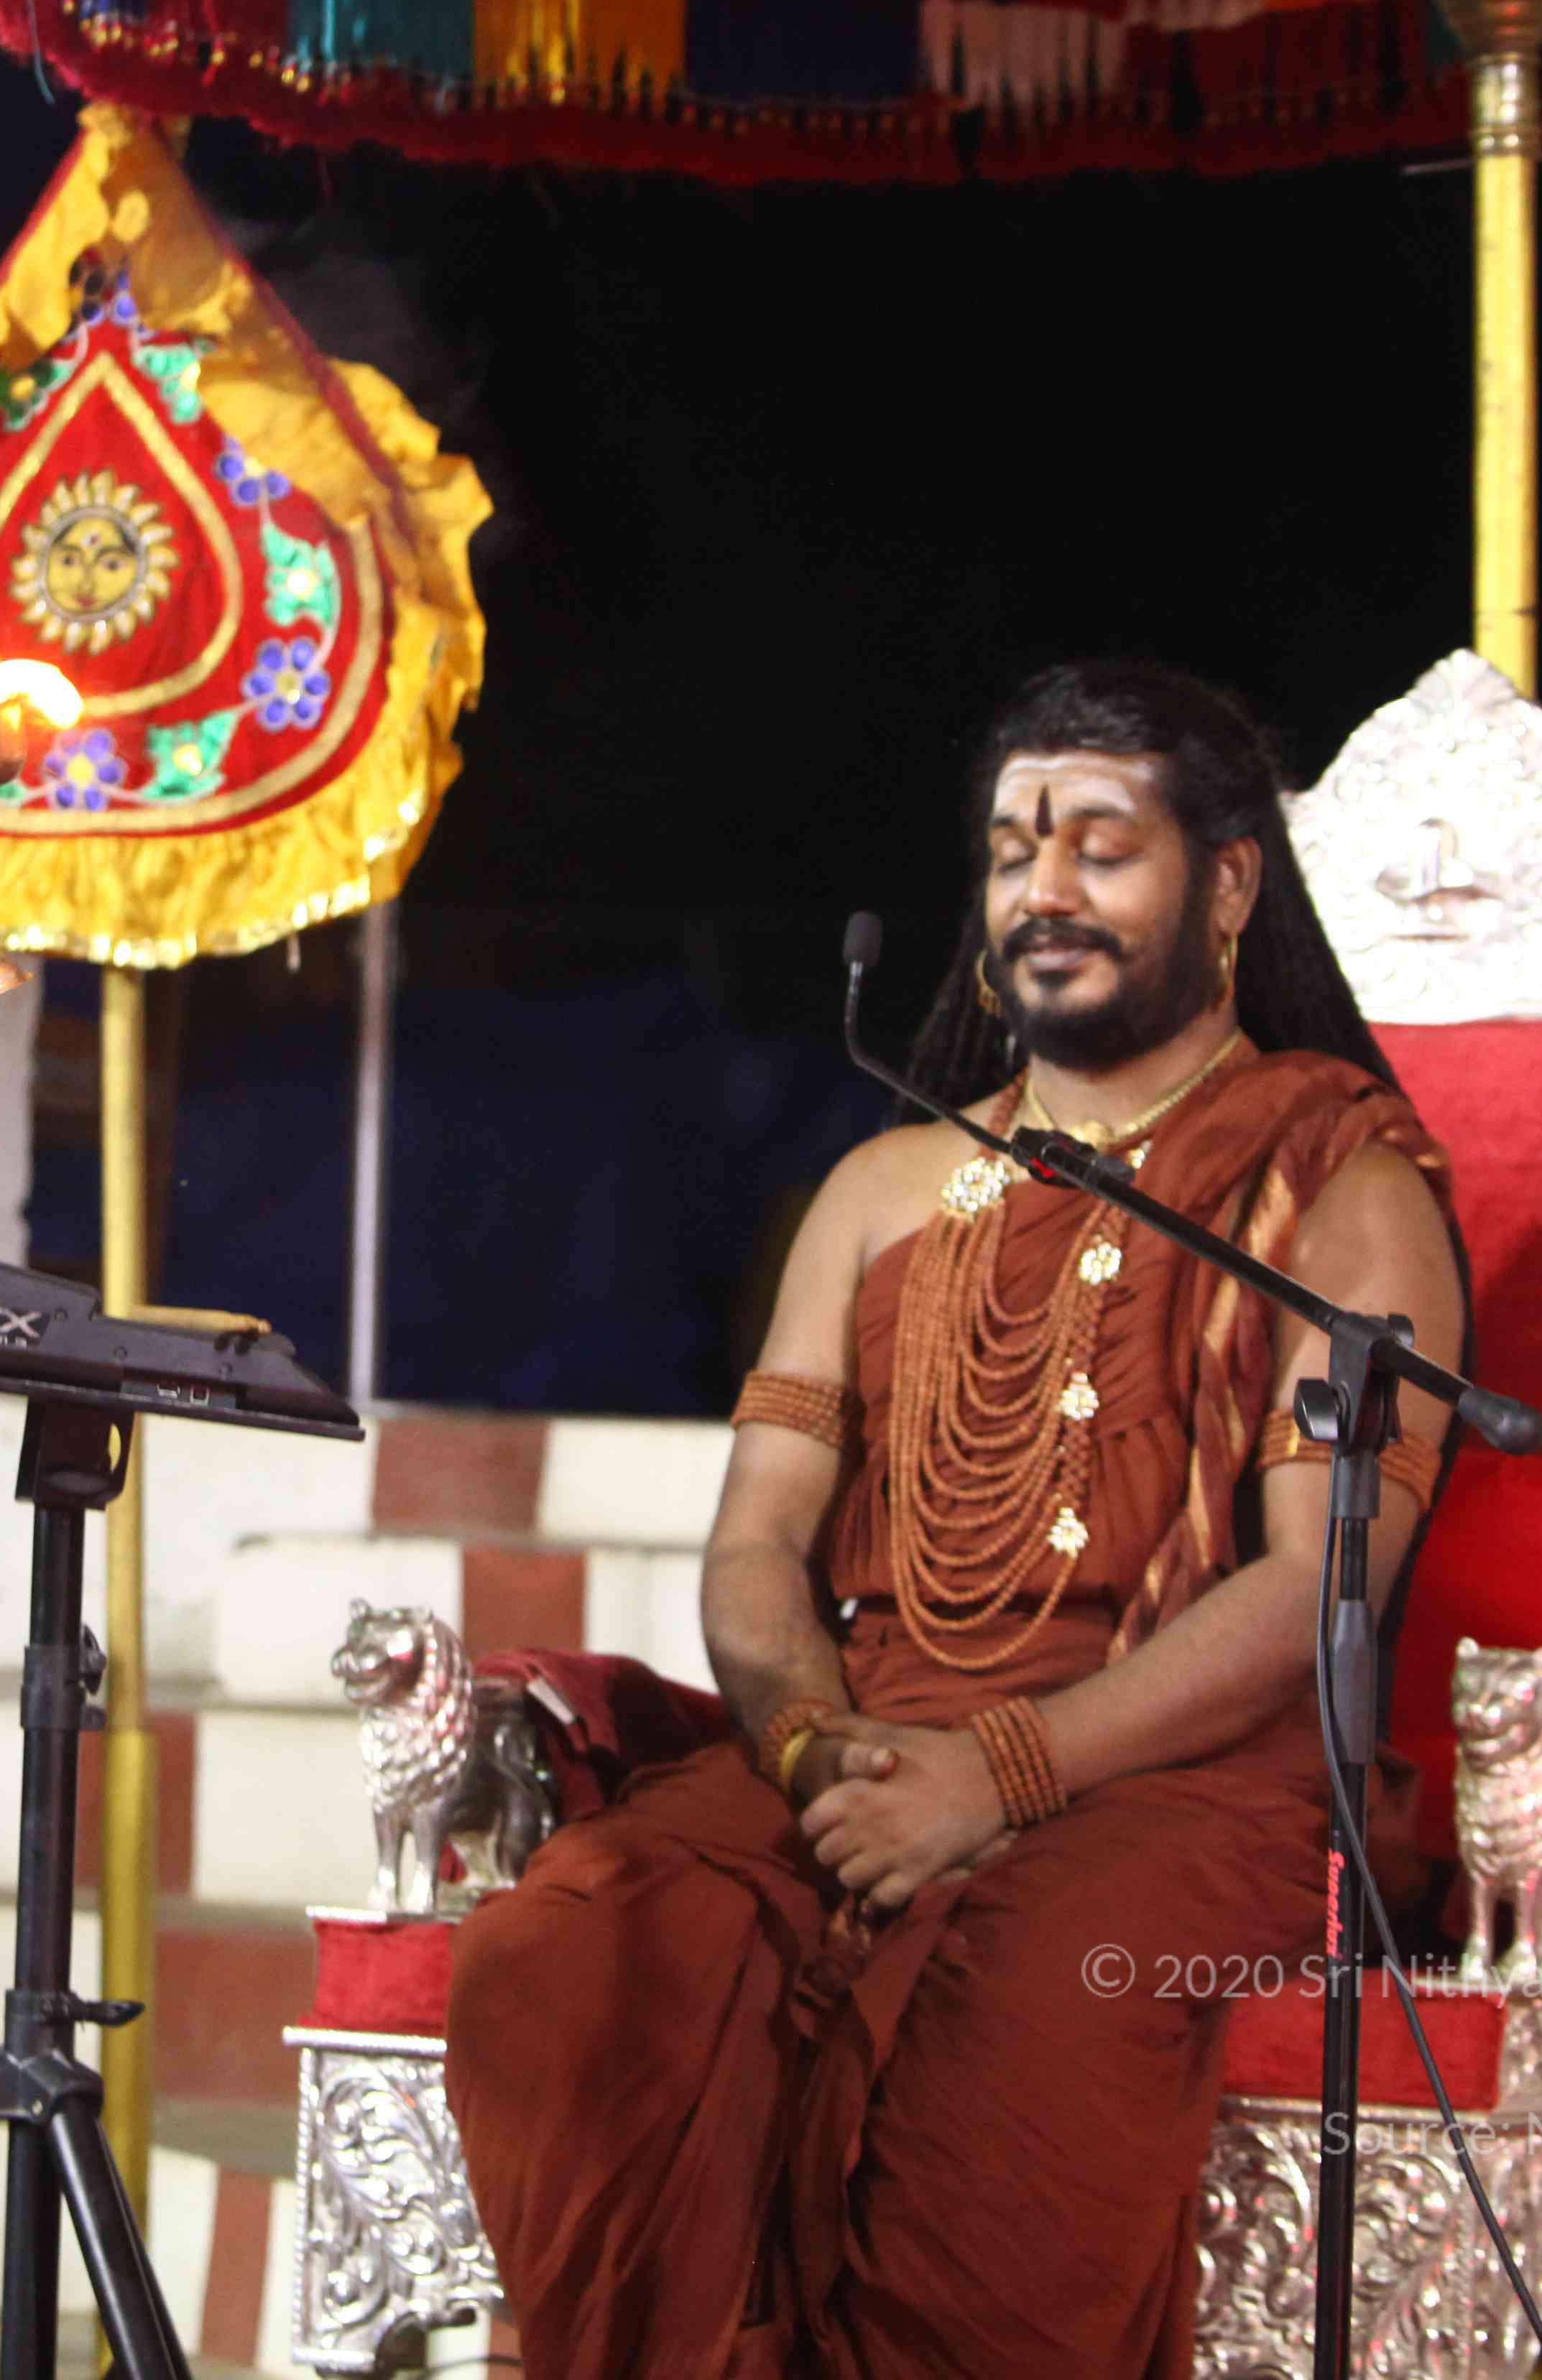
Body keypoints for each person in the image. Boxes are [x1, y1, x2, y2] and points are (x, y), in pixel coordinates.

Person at [443, 659, 1469, 2380]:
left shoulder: (1338, 1195)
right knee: (579, 1943)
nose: (1041, 889)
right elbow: (758, 1545)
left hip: (1185, 1776)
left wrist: (1001, 1776)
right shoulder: (877, 1191)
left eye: (1099, 846)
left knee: (1034, 1996)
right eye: (1010, 850)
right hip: (862, 1741)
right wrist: (812, 1751)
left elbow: (1315, 1584)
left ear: (1228, 886)